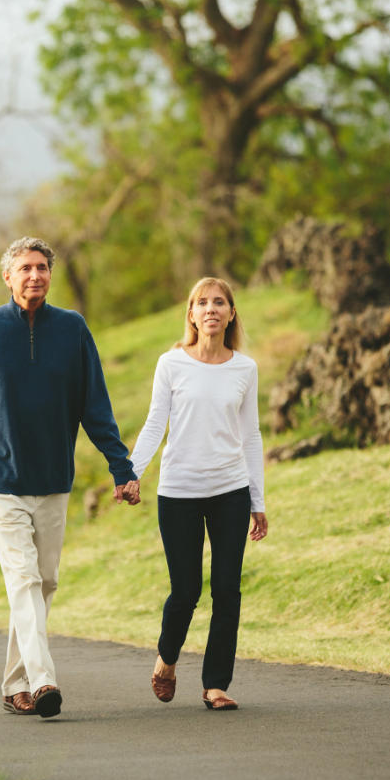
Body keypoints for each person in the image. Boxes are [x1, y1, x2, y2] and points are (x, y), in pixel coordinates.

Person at [0, 236, 140, 719]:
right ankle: (43, 680)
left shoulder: (72, 329)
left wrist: (121, 466)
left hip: (54, 479)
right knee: (23, 578)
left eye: (42, 267)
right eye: (25, 268)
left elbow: (94, 406)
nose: (34, 275)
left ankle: (16, 683)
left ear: (50, 275)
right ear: (8, 277)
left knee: (44, 582)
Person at [125, 277, 269, 711]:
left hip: (230, 491)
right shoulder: (171, 364)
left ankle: (215, 685)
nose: (210, 309)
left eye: (219, 302)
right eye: (202, 302)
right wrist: (131, 473)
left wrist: (257, 500)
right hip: (179, 491)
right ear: (191, 314)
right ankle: (166, 660)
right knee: (185, 590)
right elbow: (155, 424)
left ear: (230, 314)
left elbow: (251, 436)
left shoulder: (245, 368)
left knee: (227, 590)